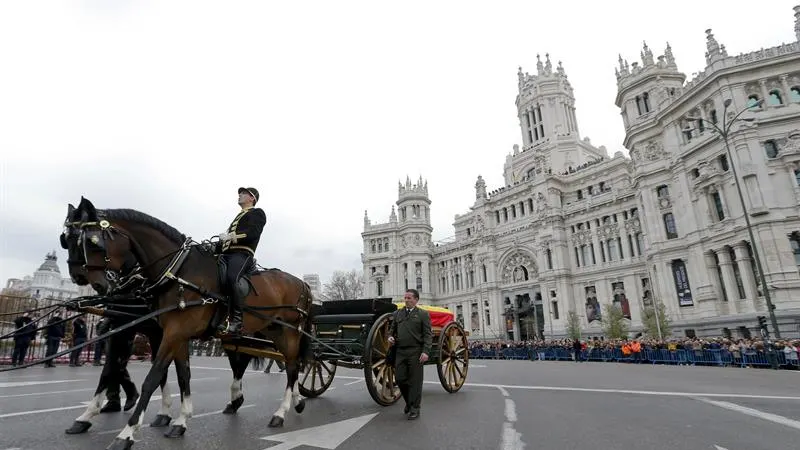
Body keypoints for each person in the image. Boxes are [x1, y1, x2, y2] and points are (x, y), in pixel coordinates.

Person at [213, 187, 267, 336]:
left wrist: (232, 237)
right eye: (240, 193)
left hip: (242, 254)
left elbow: (253, 233)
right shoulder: (239, 215)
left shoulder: (257, 213)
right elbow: (227, 241)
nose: (240, 195)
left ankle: (236, 320)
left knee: (232, 278)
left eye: (243, 193)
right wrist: (215, 245)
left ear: (252, 198)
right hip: (227, 254)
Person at [387, 288, 432, 420]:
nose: (406, 300)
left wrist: (426, 351)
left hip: (416, 351)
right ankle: (408, 402)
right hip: (400, 351)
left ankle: (415, 408)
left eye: (409, 298)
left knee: (415, 382)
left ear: (416, 300)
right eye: (405, 298)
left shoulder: (423, 314)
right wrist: (390, 337)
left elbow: (428, 335)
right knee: (400, 379)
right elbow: (391, 330)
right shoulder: (398, 314)